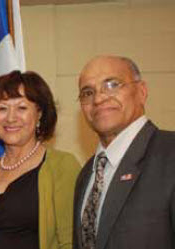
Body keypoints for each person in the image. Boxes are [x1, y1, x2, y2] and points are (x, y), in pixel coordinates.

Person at [73, 55, 175, 249]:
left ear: (142, 92)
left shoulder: (170, 154)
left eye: (112, 84)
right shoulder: (87, 174)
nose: (99, 98)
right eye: (87, 92)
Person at [0, 70, 81, 249]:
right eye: (2, 108)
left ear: (39, 113)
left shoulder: (62, 165)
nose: (10, 117)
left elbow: (71, 241)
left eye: (22, 108)